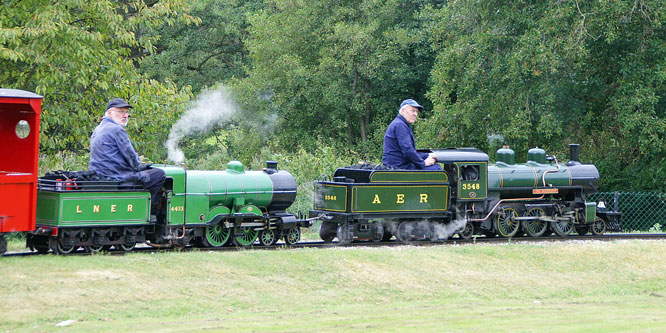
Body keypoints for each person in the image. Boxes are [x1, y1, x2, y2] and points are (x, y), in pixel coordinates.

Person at [89, 98, 166, 218]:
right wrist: (141, 166)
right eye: (120, 112)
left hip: (99, 175)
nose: (125, 115)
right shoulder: (117, 130)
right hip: (117, 177)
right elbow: (133, 160)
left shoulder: (98, 129)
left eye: (126, 112)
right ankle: (145, 212)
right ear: (109, 113)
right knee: (159, 175)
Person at [382, 99, 441, 170]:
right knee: (437, 168)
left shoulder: (401, 124)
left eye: (416, 112)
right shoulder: (400, 125)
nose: (415, 114)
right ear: (403, 110)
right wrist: (423, 163)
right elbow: (407, 150)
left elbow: (409, 151)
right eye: (413, 111)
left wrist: (427, 155)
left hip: (398, 164)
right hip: (398, 167)